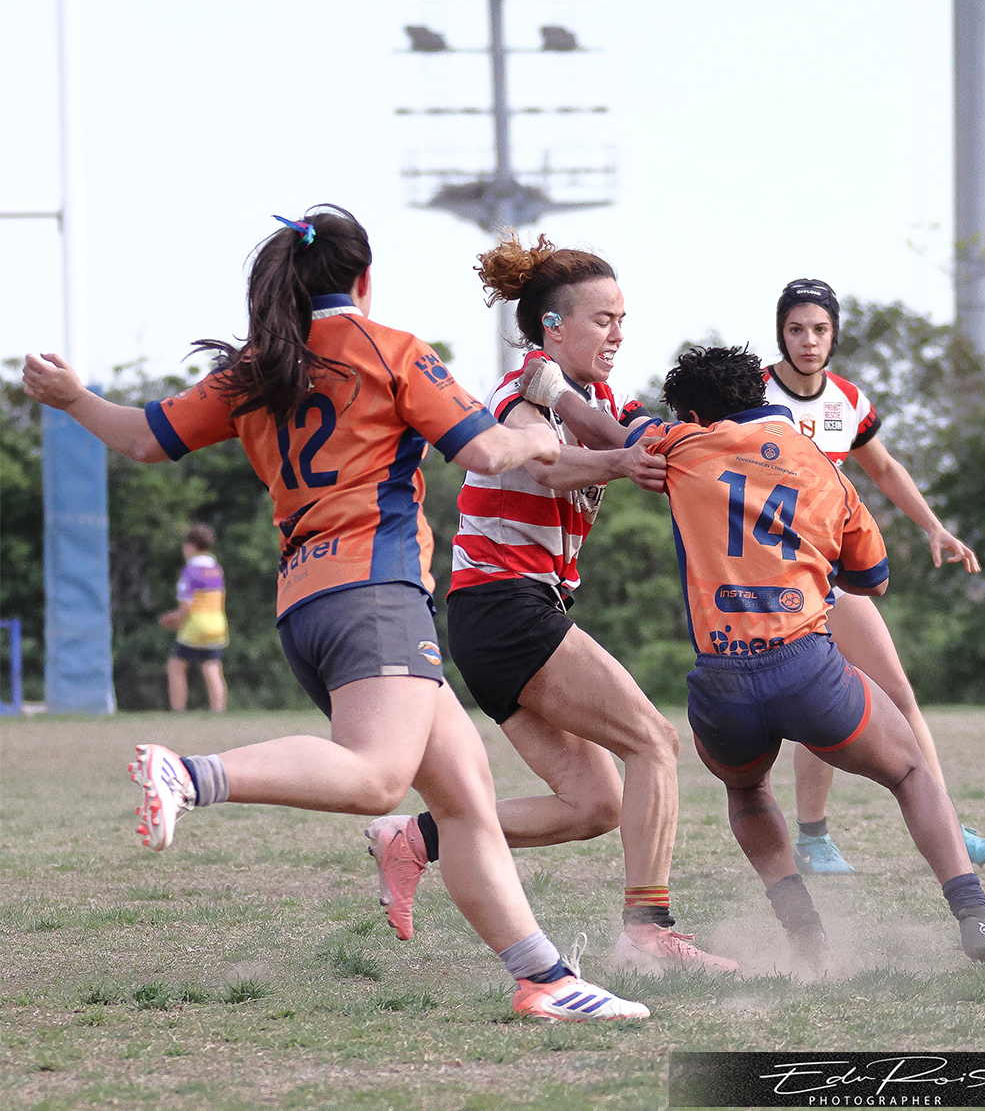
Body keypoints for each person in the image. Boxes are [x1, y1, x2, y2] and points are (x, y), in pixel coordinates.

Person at [21, 206, 648, 1023]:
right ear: (364, 279)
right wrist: (538, 442)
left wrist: (73, 397)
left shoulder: (262, 367)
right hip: (374, 593)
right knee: (377, 776)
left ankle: (545, 979)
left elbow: (143, 438)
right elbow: (487, 450)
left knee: (463, 796)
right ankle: (190, 776)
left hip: (306, 605)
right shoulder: (390, 350)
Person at [531, 344, 985, 972]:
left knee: (747, 792)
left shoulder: (683, 445)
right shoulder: (823, 466)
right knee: (910, 770)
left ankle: (806, 936)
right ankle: (975, 917)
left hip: (720, 681)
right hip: (805, 667)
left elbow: (611, 433)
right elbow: (873, 578)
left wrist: (553, 389)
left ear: (694, 414)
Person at [366, 233, 737, 976]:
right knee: (654, 741)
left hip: (508, 617)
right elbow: (549, 463)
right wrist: (618, 459)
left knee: (594, 804)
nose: (618, 333)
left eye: (622, 319)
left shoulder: (593, 399)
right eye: (602, 319)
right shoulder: (518, 394)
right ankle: (649, 932)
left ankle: (415, 839)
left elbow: (635, 436)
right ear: (553, 328)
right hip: (505, 606)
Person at [765, 279, 985, 874]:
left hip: (828, 573)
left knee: (898, 693)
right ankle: (813, 839)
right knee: (811, 699)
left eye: (819, 329)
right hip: (772, 577)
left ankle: (948, 826)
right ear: (781, 333)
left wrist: (934, 527)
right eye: (796, 328)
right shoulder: (754, 393)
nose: (808, 340)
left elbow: (884, 467)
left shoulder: (846, 399)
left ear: (834, 335)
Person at [160, 523, 229, 712]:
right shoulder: (216, 568)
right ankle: (219, 712)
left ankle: (178, 710)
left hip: (196, 625)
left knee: (176, 665)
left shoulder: (191, 570)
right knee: (212, 667)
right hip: (217, 624)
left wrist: (173, 619)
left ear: (191, 545)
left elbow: (186, 606)